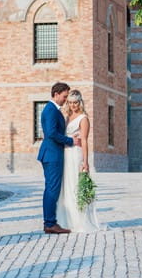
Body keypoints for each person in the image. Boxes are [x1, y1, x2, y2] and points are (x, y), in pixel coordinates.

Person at [56, 90, 102, 232]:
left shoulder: (83, 118)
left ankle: (80, 220)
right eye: (70, 102)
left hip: (76, 155)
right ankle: (67, 220)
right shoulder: (67, 117)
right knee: (67, 186)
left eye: (75, 102)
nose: (73, 105)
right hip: (65, 154)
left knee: (76, 185)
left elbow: (85, 141)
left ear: (80, 102)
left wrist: (85, 162)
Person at [37, 82, 80, 234]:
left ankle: (50, 222)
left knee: (51, 188)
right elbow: (51, 133)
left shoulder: (54, 110)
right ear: (56, 94)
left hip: (52, 154)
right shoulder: (50, 110)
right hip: (51, 155)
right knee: (52, 190)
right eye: (64, 96)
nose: (65, 100)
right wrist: (70, 141)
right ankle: (50, 223)